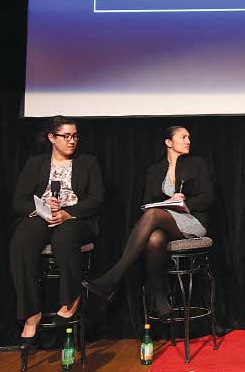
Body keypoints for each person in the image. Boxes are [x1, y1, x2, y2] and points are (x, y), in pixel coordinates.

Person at [83, 126, 213, 320]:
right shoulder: (155, 170)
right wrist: (167, 203)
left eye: (189, 137)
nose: (188, 141)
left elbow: (208, 197)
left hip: (191, 221)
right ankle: (160, 299)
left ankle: (113, 277)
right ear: (168, 142)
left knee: (153, 216)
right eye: (183, 137)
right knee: (154, 239)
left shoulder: (197, 163)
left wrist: (185, 203)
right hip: (164, 222)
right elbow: (146, 203)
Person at [10, 116, 104, 349]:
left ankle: (70, 300)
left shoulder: (88, 162)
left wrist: (67, 213)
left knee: (65, 237)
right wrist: (41, 209)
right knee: (22, 238)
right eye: (66, 136)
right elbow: (19, 201)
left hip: (75, 218)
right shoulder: (35, 163)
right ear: (52, 138)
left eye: (75, 136)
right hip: (42, 215)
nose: (72, 141)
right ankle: (31, 313)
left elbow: (96, 199)